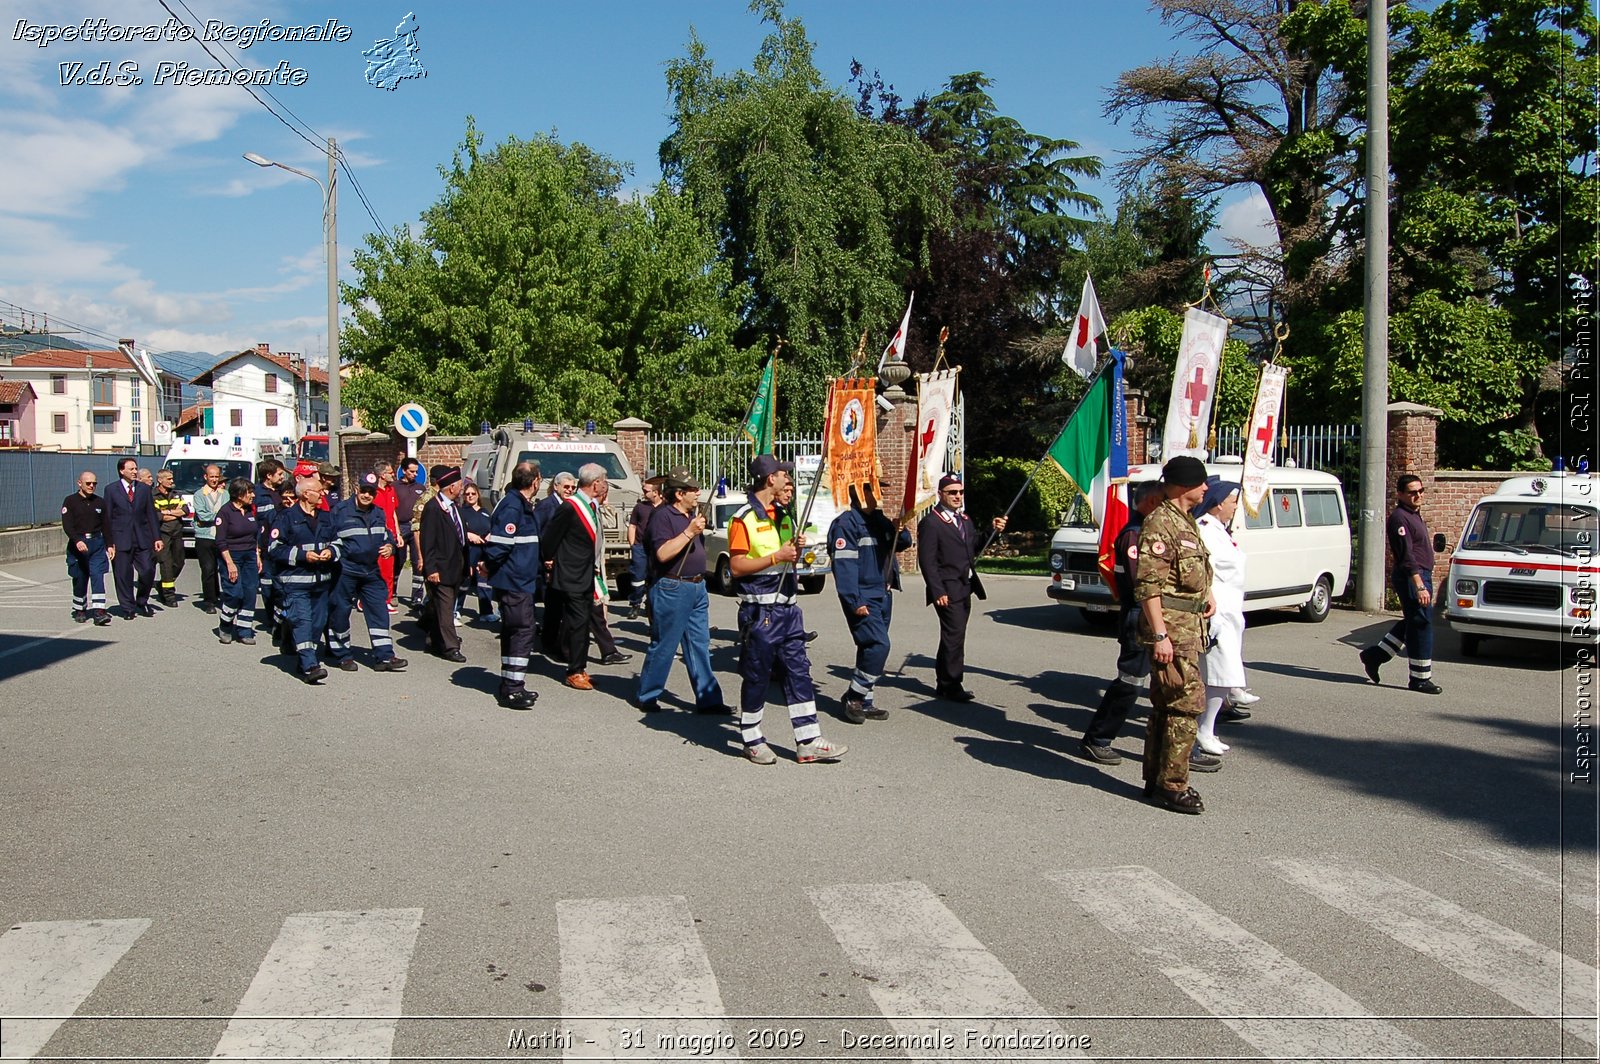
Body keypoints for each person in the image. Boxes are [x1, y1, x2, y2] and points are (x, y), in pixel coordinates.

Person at [727, 454, 846, 764]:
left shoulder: (783, 515)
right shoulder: (744, 518)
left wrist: (797, 548)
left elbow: (786, 557)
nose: (788, 480)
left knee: (799, 673)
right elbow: (737, 567)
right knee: (757, 676)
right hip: (760, 613)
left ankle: (808, 740)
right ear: (770, 479)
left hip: (790, 610)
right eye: (784, 475)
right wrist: (777, 557)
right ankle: (751, 738)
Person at [1135, 456, 1216, 815]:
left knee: (1168, 705)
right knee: (1186, 707)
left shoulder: (1185, 522)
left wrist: (1206, 594)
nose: (1206, 488)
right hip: (1172, 631)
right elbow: (1148, 587)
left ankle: (1156, 779)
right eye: (1201, 482)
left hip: (1187, 628)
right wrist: (1160, 635)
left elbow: (1191, 571)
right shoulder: (1160, 524)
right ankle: (1173, 785)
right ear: (1185, 485)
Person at [1079, 482, 1167, 765]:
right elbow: (1142, 584)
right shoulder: (1134, 535)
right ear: (1152, 501)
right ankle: (1097, 738)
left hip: (1160, 619)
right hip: (1139, 618)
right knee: (1131, 683)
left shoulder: (1154, 533)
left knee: (1168, 686)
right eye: (1165, 500)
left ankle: (1175, 747)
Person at [635, 469, 729, 714]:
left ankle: (709, 699)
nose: (698, 493)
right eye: (693, 490)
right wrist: (690, 532)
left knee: (699, 643)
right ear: (679, 494)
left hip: (697, 586)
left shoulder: (691, 514)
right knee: (665, 643)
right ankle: (648, 694)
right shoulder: (662, 517)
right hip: (672, 586)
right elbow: (663, 553)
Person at [916, 473, 1007, 701]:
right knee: (954, 635)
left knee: (953, 636)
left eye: (960, 492)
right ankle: (951, 684)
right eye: (952, 492)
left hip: (965, 586)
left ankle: (945, 681)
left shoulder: (964, 520)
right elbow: (927, 562)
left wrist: (992, 531)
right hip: (947, 590)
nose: (957, 496)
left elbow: (975, 546)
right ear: (940, 494)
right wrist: (938, 591)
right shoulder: (931, 523)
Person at [828, 482, 912, 723]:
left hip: (883, 594)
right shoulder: (846, 524)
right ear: (859, 493)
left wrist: (900, 530)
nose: (881, 493)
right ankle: (854, 696)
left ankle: (865, 700)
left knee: (868, 647)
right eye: (874, 488)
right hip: (863, 596)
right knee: (879, 644)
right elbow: (843, 567)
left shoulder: (878, 519)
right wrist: (854, 601)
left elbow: (902, 544)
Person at [1360, 473, 1442, 694]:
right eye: (1412, 492)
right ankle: (1420, 678)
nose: (1418, 495)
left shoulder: (1414, 514)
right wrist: (1419, 584)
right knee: (1422, 624)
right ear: (1400, 494)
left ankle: (1375, 655)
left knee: (1415, 620)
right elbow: (1406, 556)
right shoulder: (1400, 518)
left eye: (1420, 491)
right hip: (1411, 576)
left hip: (1420, 574)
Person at [327, 472, 408, 672]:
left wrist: (390, 546)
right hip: (346, 569)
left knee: (379, 611)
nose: (367, 495)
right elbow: (329, 538)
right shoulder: (340, 511)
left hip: (370, 570)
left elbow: (387, 535)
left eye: (371, 492)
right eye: (364, 491)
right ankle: (342, 654)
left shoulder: (378, 512)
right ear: (356, 489)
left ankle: (384, 656)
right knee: (340, 612)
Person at [539, 464, 610, 690]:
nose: (606, 484)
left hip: (586, 573)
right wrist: (551, 560)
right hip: (571, 575)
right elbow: (550, 538)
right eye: (604, 480)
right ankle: (574, 671)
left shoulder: (592, 505)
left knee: (580, 623)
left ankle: (579, 666)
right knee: (578, 624)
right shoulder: (570, 507)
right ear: (595, 483)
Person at [268, 474, 342, 683]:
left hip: (321, 581)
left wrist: (331, 551)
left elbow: (338, 541)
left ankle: (297, 650)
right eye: (319, 491)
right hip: (295, 582)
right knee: (303, 621)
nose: (323, 494)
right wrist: (302, 556)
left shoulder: (326, 517)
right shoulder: (286, 518)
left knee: (317, 623)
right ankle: (310, 666)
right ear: (305, 494)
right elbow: (274, 549)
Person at [1193, 478, 1247, 756]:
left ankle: (1207, 728)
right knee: (1219, 674)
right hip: (1217, 613)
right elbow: (1205, 571)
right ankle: (1204, 730)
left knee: (1223, 674)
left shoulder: (1219, 530)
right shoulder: (1206, 530)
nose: (1235, 507)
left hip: (1230, 611)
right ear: (1217, 504)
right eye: (1232, 501)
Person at [484, 461, 543, 709]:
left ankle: (510, 683)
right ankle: (513, 690)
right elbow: (499, 546)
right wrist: (490, 565)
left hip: (521, 581)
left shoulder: (520, 504)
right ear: (535, 482)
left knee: (516, 631)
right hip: (515, 582)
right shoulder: (512, 506)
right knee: (522, 630)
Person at [417, 465, 468, 661]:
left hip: (456, 566)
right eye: (459, 485)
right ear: (451, 487)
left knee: (442, 606)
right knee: (446, 609)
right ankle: (450, 647)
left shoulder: (455, 507)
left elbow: (460, 535)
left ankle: (435, 639)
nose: (461, 488)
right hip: (440, 568)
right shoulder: (433, 508)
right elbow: (427, 541)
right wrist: (431, 568)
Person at [104, 456, 162, 619]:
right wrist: (109, 543)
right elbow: (107, 518)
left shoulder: (143, 489)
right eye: (131, 469)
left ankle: (142, 601)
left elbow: (151, 514)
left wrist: (156, 537)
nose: (135, 471)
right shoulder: (111, 490)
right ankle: (128, 607)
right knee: (123, 575)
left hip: (142, 538)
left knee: (147, 570)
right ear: (122, 471)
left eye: (136, 468)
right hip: (120, 539)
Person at [537, 471, 581, 658]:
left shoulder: (572, 505)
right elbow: (539, 533)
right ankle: (549, 643)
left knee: (561, 606)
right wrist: (546, 557)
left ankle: (558, 642)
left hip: (565, 563)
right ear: (556, 486)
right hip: (549, 563)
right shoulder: (546, 506)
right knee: (553, 607)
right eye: (566, 487)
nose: (569, 490)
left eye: (572, 487)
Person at [588, 478, 631, 666]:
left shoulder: (596, 508)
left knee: (596, 609)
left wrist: (605, 506)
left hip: (596, 565)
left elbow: (608, 521)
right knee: (589, 611)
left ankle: (608, 651)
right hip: (583, 569)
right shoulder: (578, 508)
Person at [61, 470, 112, 625]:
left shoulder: (100, 502)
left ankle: (99, 612)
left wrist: (110, 545)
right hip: (78, 544)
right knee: (80, 578)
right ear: (79, 483)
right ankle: (80, 609)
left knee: (97, 576)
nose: (92, 486)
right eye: (88, 483)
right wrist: (76, 540)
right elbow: (67, 524)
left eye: (94, 483)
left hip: (96, 543)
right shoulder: (70, 501)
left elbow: (106, 525)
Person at [216, 477, 261, 645]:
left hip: (249, 556)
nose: (253, 495)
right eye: (249, 492)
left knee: (250, 593)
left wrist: (257, 555)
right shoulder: (225, 512)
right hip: (231, 556)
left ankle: (244, 630)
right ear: (239, 494)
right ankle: (226, 625)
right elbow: (220, 541)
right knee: (235, 593)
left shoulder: (250, 510)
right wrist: (229, 563)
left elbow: (255, 536)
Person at [252, 458, 288, 631]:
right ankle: (270, 617)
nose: (282, 477)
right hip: (265, 548)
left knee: (282, 586)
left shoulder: (285, 491)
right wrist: (256, 549)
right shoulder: (256, 494)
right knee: (267, 587)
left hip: (282, 546)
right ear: (268, 476)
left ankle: (279, 620)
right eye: (279, 474)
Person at [457, 480, 496, 623]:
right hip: (469, 550)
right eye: (467, 494)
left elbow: (492, 526)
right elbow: (458, 529)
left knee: (484, 581)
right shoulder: (461, 511)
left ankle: (486, 612)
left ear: (478, 494)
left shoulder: (485, 512)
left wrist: (490, 534)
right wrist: (468, 535)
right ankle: (456, 610)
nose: (470, 496)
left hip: (484, 550)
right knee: (465, 580)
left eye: (473, 493)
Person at [624, 477, 662, 620]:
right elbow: (632, 525)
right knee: (637, 578)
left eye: (646, 490)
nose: (643, 493)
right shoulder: (640, 507)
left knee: (654, 580)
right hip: (640, 547)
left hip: (656, 549)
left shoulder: (665, 507)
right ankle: (635, 603)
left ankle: (650, 606)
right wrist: (633, 544)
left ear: (656, 492)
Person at [191, 464, 227, 614]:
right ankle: (209, 601)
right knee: (208, 569)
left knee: (224, 569)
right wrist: (220, 516)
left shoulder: (225, 494)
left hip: (221, 536)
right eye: (211, 476)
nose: (214, 479)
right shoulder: (199, 494)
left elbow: (229, 513)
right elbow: (202, 515)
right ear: (205, 477)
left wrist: (218, 517)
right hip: (204, 536)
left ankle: (222, 596)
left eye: (216, 477)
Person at [151, 467, 189, 606]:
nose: (172, 481)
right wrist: (173, 512)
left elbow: (185, 510)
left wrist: (168, 513)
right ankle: (169, 595)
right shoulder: (152, 495)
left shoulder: (176, 494)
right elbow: (158, 516)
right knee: (165, 564)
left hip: (177, 533)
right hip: (163, 534)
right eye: (169, 479)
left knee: (179, 562)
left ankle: (162, 584)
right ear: (160, 480)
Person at [393, 457, 426, 608]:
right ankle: (392, 592)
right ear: (404, 471)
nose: (414, 474)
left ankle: (417, 597)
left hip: (416, 527)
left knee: (417, 561)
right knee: (398, 561)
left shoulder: (421, 488)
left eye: (416, 472)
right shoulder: (394, 487)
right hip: (400, 527)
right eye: (411, 471)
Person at [372, 461, 401, 605]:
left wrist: (398, 533)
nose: (393, 475)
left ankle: (387, 599)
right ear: (382, 475)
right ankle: (371, 599)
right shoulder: (372, 492)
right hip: (377, 537)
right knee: (376, 570)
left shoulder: (391, 490)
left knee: (389, 570)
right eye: (390, 472)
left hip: (391, 536)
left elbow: (393, 513)